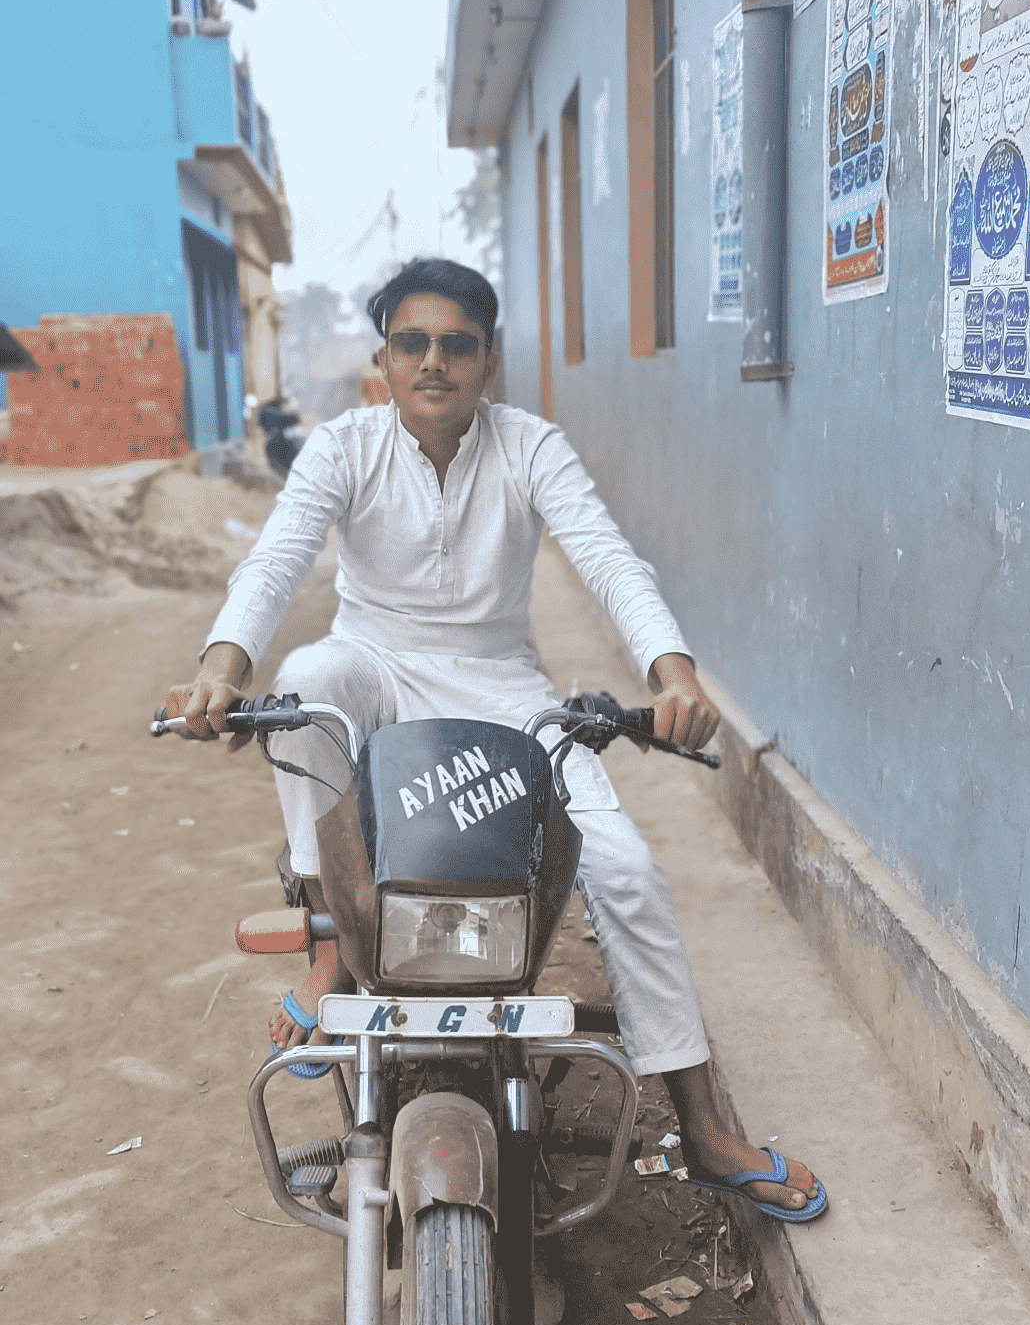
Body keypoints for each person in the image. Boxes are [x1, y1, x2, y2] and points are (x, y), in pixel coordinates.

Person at [164, 256, 825, 1222]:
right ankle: (334, 941)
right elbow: (275, 561)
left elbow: (608, 558)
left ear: (489, 360)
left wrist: (672, 672)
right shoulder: (346, 447)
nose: (434, 362)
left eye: (457, 345)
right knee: (308, 680)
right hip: (373, 668)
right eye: (412, 343)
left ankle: (704, 1130)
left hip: (503, 689)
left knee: (628, 870)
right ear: (384, 361)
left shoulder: (529, 446)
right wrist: (223, 670)